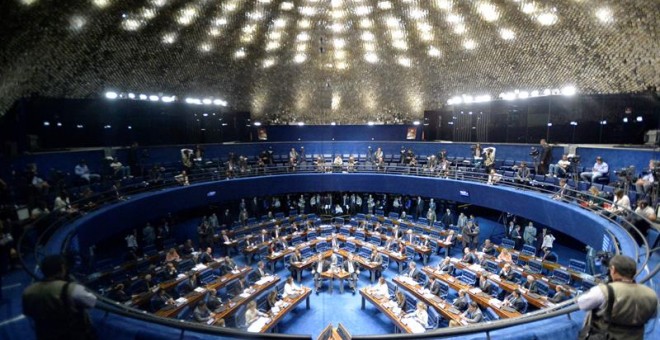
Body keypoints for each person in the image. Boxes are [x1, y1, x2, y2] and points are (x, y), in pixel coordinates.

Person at [577, 255, 657, 339]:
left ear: (613, 270)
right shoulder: (651, 294)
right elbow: (652, 315)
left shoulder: (604, 291)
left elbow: (582, 304)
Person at [23, 255, 97, 339]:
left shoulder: (28, 291)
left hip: (45, 335)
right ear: (62, 268)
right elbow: (92, 301)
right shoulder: (70, 288)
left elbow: (28, 312)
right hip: (73, 335)